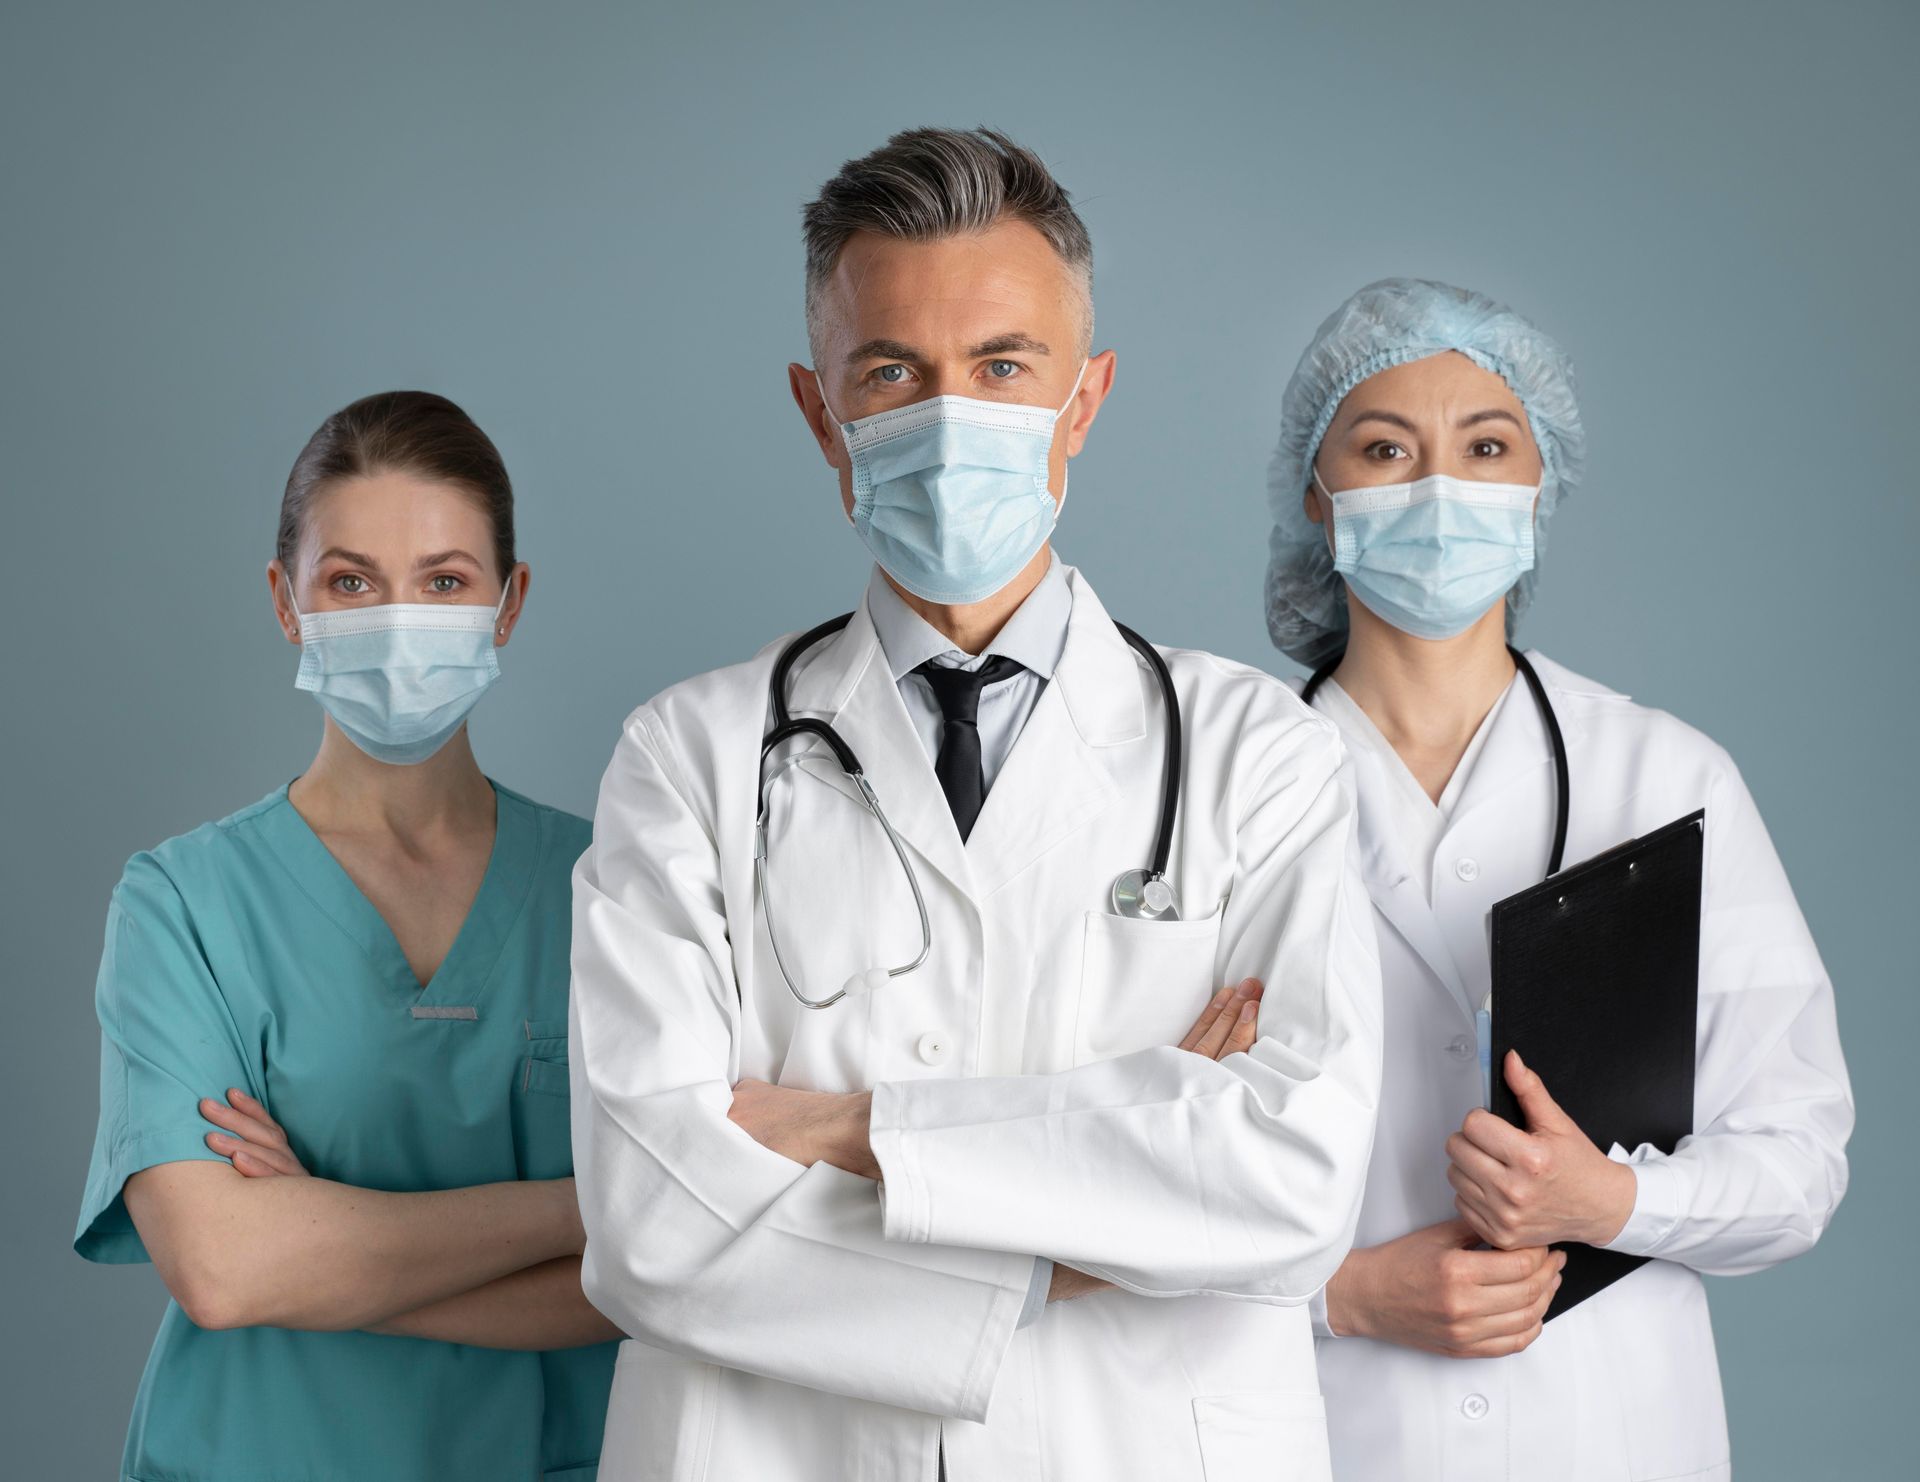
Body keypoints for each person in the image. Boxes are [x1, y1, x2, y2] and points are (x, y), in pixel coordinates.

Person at [568, 127, 1383, 1482]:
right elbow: (655, 1224)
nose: (953, 417)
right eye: (893, 372)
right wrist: (1101, 1213)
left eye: (1005, 367)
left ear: (1085, 398)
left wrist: (848, 1127)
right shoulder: (686, 756)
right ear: (818, 410)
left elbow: (1290, 1184)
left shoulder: (1259, 755)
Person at [1262, 278, 1855, 1482]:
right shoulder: (1219, 786)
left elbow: (1799, 1163)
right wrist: (1344, 1296)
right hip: (1321, 1432)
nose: (1442, 490)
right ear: (1320, 503)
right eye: (1386, 448)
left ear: (1539, 494)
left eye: (1487, 446)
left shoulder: (1667, 775)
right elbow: (1124, 1193)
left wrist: (1609, 1205)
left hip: (1610, 1433)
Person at [74, 391, 622, 1482]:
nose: (399, 618)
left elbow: (655, 1276)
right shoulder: (183, 903)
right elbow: (225, 1270)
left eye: (446, 582)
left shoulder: (614, 891)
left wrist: (318, 1253)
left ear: (509, 605)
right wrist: (585, 1207)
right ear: (288, 601)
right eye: (352, 581)